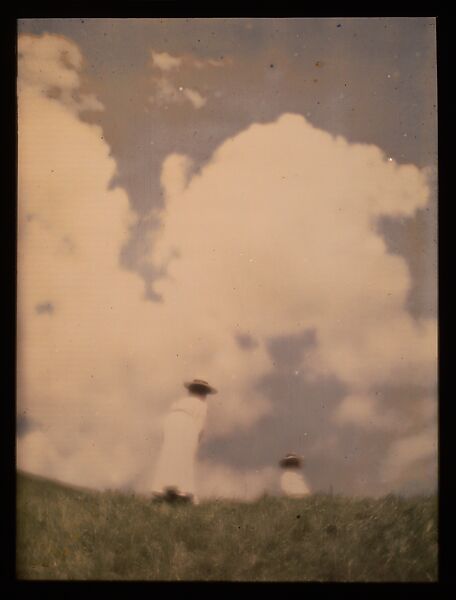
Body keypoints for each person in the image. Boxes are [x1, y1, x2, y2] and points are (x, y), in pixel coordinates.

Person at [152, 378, 217, 504]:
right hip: (187, 424)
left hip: (171, 423)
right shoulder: (202, 405)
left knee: (169, 454)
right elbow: (199, 426)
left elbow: (169, 419)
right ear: (202, 393)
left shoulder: (179, 402)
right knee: (185, 456)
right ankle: (182, 491)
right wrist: (196, 441)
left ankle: (163, 489)